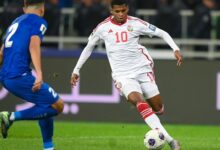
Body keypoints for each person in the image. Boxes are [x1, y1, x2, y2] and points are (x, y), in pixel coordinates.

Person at [70, 0, 182, 150]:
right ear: (111, 10)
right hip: (122, 75)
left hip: (142, 69)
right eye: (117, 11)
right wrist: (76, 69)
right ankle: (171, 141)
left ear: (127, 8)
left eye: (123, 10)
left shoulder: (136, 23)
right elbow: (88, 47)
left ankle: (155, 116)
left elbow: (162, 33)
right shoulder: (103, 28)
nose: (121, 14)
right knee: (139, 102)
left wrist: (175, 49)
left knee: (159, 108)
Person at [0, 0, 64, 150]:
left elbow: (2, 53)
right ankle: (10, 117)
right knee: (58, 105)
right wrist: (39, 73)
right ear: (42, 9)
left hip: (7, 77)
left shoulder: (15, 23)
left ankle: (48, 147)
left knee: (45, 103)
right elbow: (33, 45)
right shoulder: (39, 22)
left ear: (24, 8)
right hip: (19, 75)